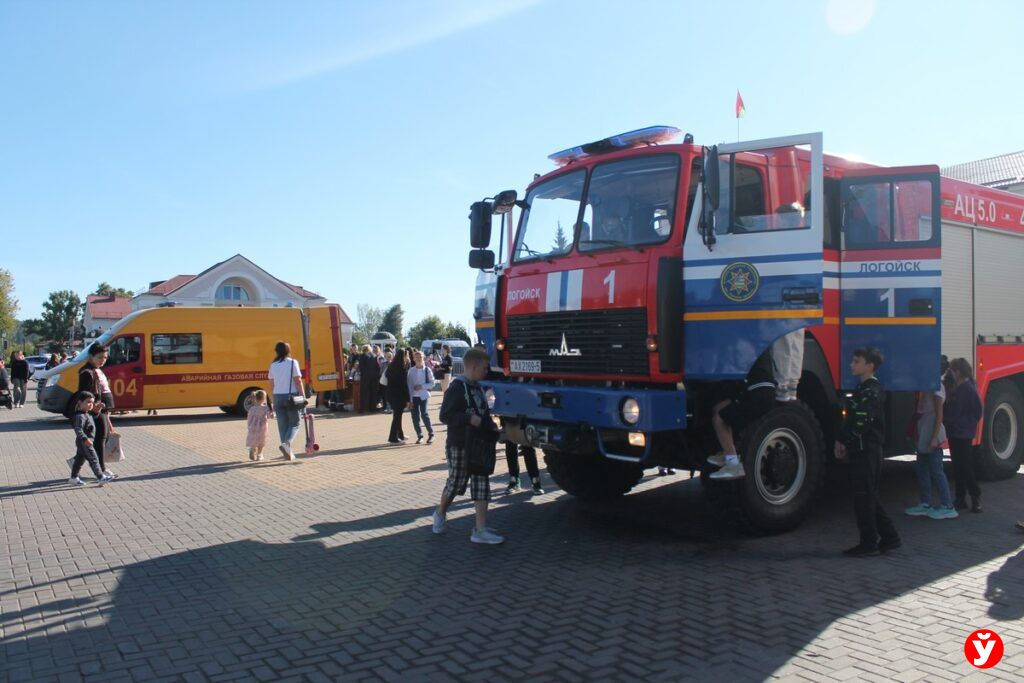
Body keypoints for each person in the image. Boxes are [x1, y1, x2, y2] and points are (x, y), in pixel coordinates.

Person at [434, 347, 504, 544]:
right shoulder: (457, 387)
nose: (486, 371)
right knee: (456, 482)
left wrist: (494, 430)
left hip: (478, 445)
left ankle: (480, 530)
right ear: (473, 367)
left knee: (481, 483)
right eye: (484, 368)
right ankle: (440, 512)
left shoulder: (478, 387)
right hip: (459, 444)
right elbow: (445, 415)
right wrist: (467, 418)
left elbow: (483, 415)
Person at [835, 346, 901, 557]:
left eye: (856, 361)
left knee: (864, 496)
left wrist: (845, 440)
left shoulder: (871, 391)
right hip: (863, 449)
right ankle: (889, 537)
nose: (851, 365)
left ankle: (870, 542)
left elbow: (861, 421)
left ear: (869, 366)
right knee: (867, 495)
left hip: (867, 450)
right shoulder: (864, 389)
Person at [707, 353, 776, 480]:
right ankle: (727, 450)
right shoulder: (757, 349)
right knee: (720, 409)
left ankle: (733, 465)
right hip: (764, 392)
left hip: (756, 394)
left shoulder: (739, 350)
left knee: (719, 420)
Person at [904, 367, 956, 519]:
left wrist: (934, 438)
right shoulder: (930, 386)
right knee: (923, 469)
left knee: (935, 470)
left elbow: (939, 415)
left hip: (932, 433)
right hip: (925, 432)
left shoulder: (937, 387)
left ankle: (947, 505)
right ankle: (925, 503)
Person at [944, 357, 985, 513]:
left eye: (953, 370)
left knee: (964, 465)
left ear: (958, 372)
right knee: (958, 465)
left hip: (963, 432)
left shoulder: (967, 389)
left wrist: (964, 423)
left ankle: (974, 496)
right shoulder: (958, 387)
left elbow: (977, 411)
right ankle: (961, 498)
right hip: (956, 431)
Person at [74, 343, 118, 479]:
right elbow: (85, 394)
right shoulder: (87, 372)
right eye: (99, 357)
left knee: (99, 439)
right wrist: (93, 408)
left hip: (101, 409)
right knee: (99, 439)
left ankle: (78, 464)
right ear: (91, 356)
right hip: (95, 410)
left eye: (105, 358)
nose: (102, 360)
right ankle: (101, 469)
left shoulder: (96, 369)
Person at [268, 341, 304, 461]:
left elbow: (272, 383)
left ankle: (287, 452)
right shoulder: (293, 362)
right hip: (291, 397)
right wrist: (303, 396)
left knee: (282, 425)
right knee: (294, 423)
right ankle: (286, 444)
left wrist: (273, 399)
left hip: (277, 396)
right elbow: (298, 381)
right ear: (288, 351)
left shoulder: (273, 365)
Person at [68, 391, 114, 485]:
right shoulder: (79, 416)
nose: (91, 405)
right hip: (84, 442)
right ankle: (100, 477)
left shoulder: (86, 413)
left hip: (85, 441)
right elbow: (78, 429)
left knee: (79, 460)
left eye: (92, 403)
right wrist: (85, 439)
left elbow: (93, 419)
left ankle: (74, 477)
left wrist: (97, 411)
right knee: (94, 459)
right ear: (80, 402)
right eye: (88, 402)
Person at [407, 351, 435, 444]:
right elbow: (409, 385)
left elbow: (432, 383)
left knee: (424, 414)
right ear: (414, 359)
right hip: (413, 397)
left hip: (423, 396)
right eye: (416, 357)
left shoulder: (427, 370)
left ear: (423, 358)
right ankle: (420, 436)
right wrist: (409, 400)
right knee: (415, 417)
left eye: (420, 357)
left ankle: (431, 434)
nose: (418, 359)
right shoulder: (411, 371)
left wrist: (422, 386)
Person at [385, 350, 410, 444]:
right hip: (399, 396)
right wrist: (408, 398)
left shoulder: (391, 366)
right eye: (406, 356)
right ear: (403, 357)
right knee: (397, 417)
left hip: (390, 394)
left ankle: (400, 435)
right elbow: (404, 385)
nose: (407, 358)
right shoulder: (402, 368)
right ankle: (392, 438)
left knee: (397, 416)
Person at [246, 389, 271, 462]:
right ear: (264, 399)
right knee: (261, 441)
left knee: (254, 439)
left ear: (255, 398)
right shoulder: (265, 408)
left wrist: (249, 426)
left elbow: (249, 418)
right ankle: (259, 455)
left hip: (253, 426)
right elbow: (269, 416)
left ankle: (252, 449)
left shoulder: (252, 408)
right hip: (263, 427)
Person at [356, 345, 380, 413]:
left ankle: (363, 408)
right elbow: (377, 366)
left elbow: (361, 367)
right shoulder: (374, 355)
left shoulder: (362, 356)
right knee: (373, 392)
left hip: (365, 377)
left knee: (364, 392)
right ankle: (372, 408)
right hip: (374, 377)